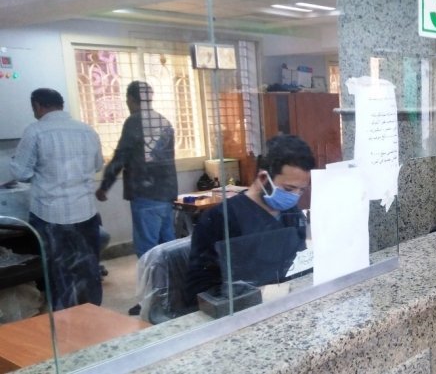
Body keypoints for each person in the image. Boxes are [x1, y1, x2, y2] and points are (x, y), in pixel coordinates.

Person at [185, 134, 315, 305]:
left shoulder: (291, 214)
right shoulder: (221, 218)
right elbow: (200, 289)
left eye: (301, 190)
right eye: (289, 189)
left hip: (285, 302)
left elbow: (298, 263)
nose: (295, 196)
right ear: (263, 178)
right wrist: (254, 294)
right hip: (243, 309)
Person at [10, 88, 104, 310]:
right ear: (61, 105)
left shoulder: (35, 131)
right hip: (86, 212)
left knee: (58, 271)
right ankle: (92, 313)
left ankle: (64, 319)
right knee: (88, 267)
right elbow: (98, 165)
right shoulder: (87, 130)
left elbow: (21, 173)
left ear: (37, 106)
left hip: (50, 215)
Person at [96, 81, 178, 258]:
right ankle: (172, 277)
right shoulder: (163, 120)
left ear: (131, 99)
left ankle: (152, 277)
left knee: (147, 250)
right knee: (168, 246)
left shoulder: (134, 121)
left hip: (146, 193)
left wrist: (104, 186)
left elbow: (121, 156)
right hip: (167, 193)